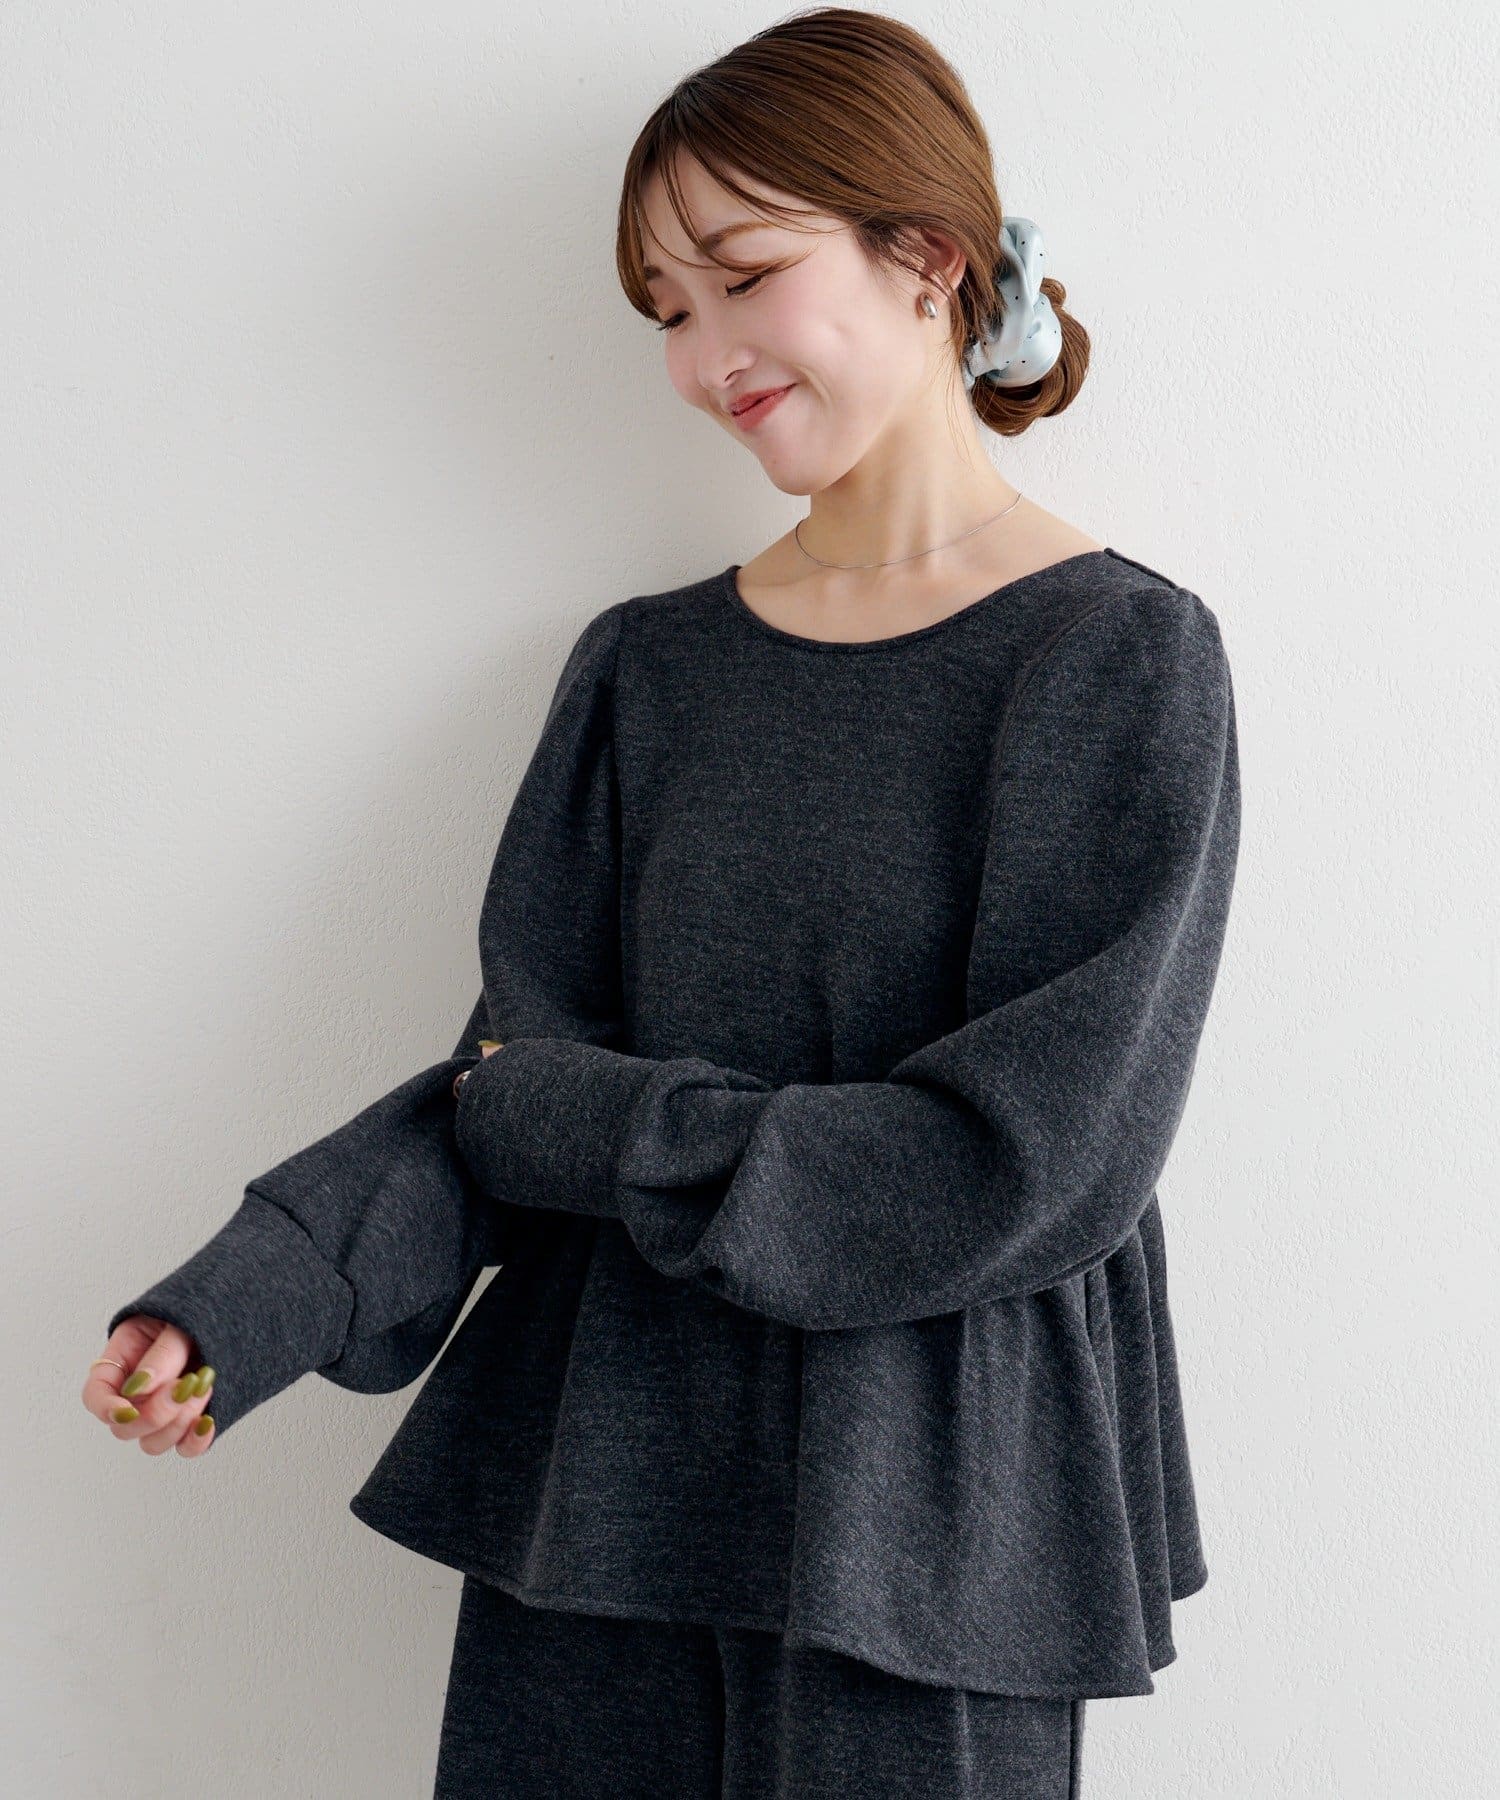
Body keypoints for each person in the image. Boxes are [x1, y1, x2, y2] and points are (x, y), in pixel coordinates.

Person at [83, 10, 1240, 1796]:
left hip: (924, 1520)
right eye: (664, 311)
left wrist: (608, 1130)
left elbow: (1026, 1164)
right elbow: (503, 1091)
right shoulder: (648, 669)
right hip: (603, 1481)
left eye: (743, 278)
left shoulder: (1113, 659)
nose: (702, 357)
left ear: (929, 257)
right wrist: (252, 1301)